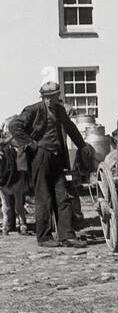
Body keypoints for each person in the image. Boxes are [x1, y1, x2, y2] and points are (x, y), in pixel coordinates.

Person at [7, 69, 90, 248]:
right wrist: (30, 144)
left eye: (53, 96)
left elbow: (71, 128)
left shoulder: (59, 110)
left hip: (57, 157)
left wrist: (82, 146)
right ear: (43, 97)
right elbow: (15, 125)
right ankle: (44, 237)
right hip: (40, 156)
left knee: (63, 196)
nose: (50, 100)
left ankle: (66, 235)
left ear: (58, 96)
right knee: (43, 197)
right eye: (47, 97)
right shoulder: (33, 110)